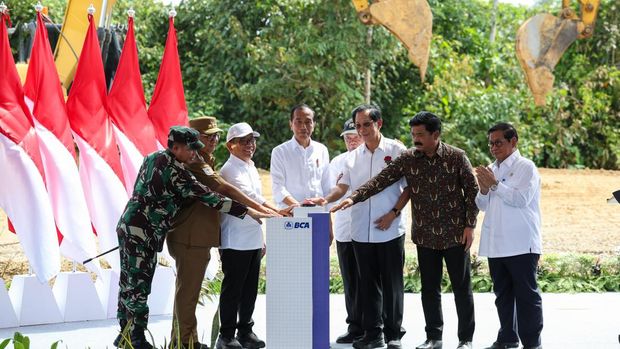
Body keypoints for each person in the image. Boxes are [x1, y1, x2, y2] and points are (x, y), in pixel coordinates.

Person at [114, 126, 271, 349]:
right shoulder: (176, 171)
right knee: (139, 285)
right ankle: (135, 337)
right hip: (143, 233)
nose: (194, 154)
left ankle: (125, 333)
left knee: (129, 283)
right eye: (190, 150)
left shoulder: (153, 158)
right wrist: (248, 211)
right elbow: (209, 196)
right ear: (175, 147)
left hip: (133, 227)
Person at [332, 111, 479, 349]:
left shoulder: (456, 157)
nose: (415, 139)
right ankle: (434, 337)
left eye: (420, 135)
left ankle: (466, 339)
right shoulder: (409, 158)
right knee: (429, 290)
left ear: (436, 135)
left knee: (461, 288)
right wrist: (354, 198)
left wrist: (469, 225)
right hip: (425, 236)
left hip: (455, 235)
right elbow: (382, 179)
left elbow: (472, 193)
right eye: (413, 134)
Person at [166, 117, 276, 349]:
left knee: (191, 293)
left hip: (200, 236)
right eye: (208, 136)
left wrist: (262, 210)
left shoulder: (206, 160)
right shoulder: (196, 161)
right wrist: (259, 209)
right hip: (190, 236)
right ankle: (186, 342)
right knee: (189, 294)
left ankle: (187, 340)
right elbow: (223, 189)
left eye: (216, 135)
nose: (213, 140)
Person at [309, 104, 408, 349]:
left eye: (367, 124)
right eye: (358, 126)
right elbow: (342, 188)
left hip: (389, 228)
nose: (362, 130)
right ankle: (373, 334)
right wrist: (326, 199)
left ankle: (394, 333)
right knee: (367, 284)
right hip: (360, 229)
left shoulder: (397, 150)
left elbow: (410, 187)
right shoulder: (351, 158)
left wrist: (393, 213)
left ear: (379, 124)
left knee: (392, 284)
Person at [216, 123, 291, 349]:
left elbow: (258, 196)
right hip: (235, 239)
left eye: (252, 140)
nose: (250, 145)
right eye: (244, 141)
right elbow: (249, 198)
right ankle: (226, 335)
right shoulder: (229, 170)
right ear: (231, 146)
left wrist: (263, 235)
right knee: (233, 289)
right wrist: (277, 213)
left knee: (249, 289)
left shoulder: (249, 166)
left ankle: (245, 331)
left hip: (252, 237)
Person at [474, 122, 543, 349]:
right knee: (502, 295)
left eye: (498, 142)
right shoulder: (491, 169)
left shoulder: (526, 167)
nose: (493, 147)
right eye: (491, 143)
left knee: (526, 297)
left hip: (521, 244)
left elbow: (520, 199)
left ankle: (532, 343)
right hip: (497, 244)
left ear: (513, 141)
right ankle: (508, 338)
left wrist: (494, 185)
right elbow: (481, 205)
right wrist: (484, 189)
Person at [326, 118, 364, 344]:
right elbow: (329, 194)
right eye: (347, 137)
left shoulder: (371, 158)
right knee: (350, 281)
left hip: (368, 229)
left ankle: (374, 324)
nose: (351, 140)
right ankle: (354, 325)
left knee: (370, 280)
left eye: (355, 136)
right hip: (344, 229)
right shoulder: (337, 162)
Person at [270, 103, 330, 208]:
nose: (303, 127)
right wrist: (298, 207)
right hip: (290, 214)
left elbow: (326, 186)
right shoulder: (280, 152)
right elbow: (278, 187)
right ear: (291, 124)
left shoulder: (322, 150)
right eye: (298, 122)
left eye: (308, 122)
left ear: (314, 124)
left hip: (318, 213)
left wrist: (327, 215)